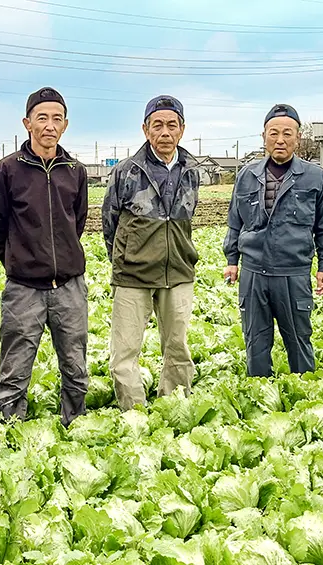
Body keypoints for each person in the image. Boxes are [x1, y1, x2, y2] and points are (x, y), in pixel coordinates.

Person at [0, 87, 89, 427]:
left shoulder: (75, 170)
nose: (49, 125)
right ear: (27, 122)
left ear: (65, 125)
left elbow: (77, 221)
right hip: (24, 289)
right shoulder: (8, 170)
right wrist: (21, 263)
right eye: (42, 118)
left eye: (57, 119)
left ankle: (74, 425)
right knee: (15, 366)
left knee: (75, 364)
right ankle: (9, 430)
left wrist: (62, 258)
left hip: (70, 287)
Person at [223, 104, 323, 377]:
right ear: (263, 136)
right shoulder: (247, 175)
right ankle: (259, 395)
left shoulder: (316, 177)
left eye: (288, 133)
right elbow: (234, 220)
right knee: (255, 342)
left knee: (299, 339)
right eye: (273, 133)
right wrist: (232, 261)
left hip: (293, 273)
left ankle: (305, 393)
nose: (280, 140)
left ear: (298, 138)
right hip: (254, 273)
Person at [101, 95, 200, 411]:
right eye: (158, 125)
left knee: (178, 348)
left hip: (179, 273)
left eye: (172, 125)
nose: (165, 132)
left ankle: (174, 411)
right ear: (146, 129)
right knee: (125, 352)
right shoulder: (126, 172)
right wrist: (126, 257)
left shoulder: (192, 171)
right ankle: (136, 414)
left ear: (182, 130)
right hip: (134, 275)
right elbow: (109, 222)